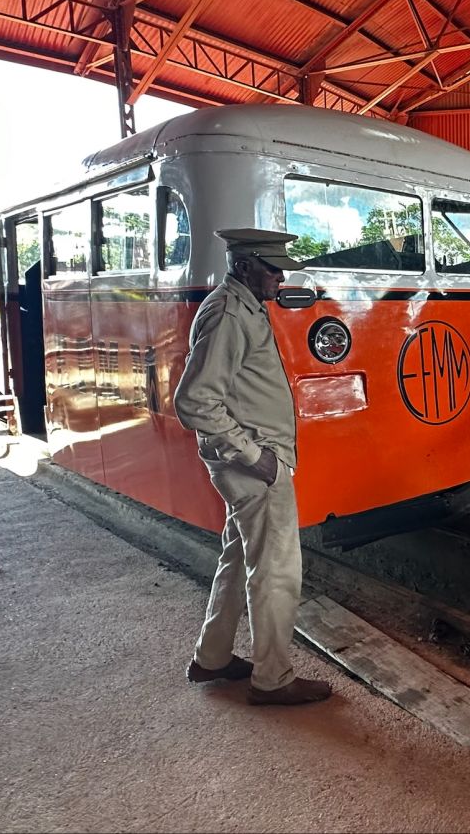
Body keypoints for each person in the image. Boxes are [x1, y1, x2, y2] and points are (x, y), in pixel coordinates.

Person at [173, 228, 331, 706]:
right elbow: (194, 401)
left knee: (239, 558)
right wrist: (253, 456)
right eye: (272, 268)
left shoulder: (241, 306)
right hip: (254, 466)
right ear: (244, 266)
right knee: (277, 571)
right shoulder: (229, 315)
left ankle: (213, 657)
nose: (280, 277)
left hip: (250, 464)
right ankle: (273, 679)